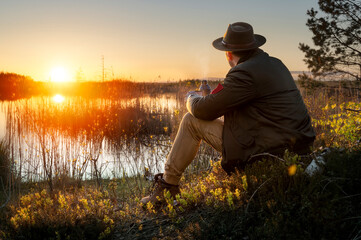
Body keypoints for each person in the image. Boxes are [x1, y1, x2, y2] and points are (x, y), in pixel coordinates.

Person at [141, 22, 315, 205]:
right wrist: (210, 99)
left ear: (228, 53)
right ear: (253, 46)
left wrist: (191, 98)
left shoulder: (244, 72)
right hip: (297, 149)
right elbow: (250, 109)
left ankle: (167, 188)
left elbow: (201, 110)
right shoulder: (275, 64)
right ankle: (167, 188)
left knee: (190, 120)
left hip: (269, 153)